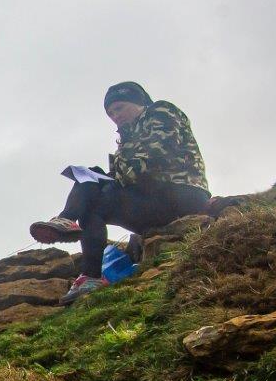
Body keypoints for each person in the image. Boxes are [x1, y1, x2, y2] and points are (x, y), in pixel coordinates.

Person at [30, 81, 210, 304]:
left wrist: (108, 177)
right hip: (151, 199)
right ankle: (89, 275)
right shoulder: (127, 136)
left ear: (138, 102)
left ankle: (67, 219)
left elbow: (151, 162)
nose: (115, 115)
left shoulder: (161, 112)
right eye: (110, 112)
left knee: (94, 185)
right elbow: (128, 174)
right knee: (91, 190)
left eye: (119, 108)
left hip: (183, 194)